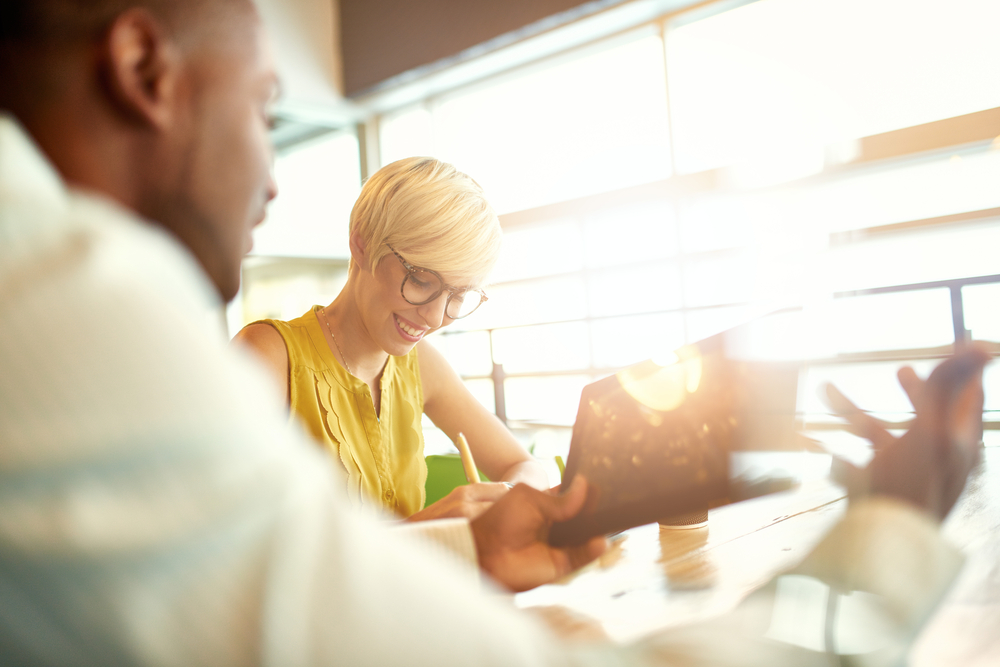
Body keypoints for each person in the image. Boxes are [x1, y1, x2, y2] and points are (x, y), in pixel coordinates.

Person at [0, 0, 989, 664]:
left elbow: (252, 572)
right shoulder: (95, 320)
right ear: (143, 67)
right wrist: (894, 531)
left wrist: (469, 539)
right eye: (266, 110)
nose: (271, 179)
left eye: (458, 295)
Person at [233, 157, 548, 521]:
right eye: (421, 281)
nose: (435, 317)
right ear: (362, 245)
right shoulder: (269, 356)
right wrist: (428, 528)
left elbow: (526, 467)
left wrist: (501, 501)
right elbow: (224, 538)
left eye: (459, 295)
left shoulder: (420, 363)